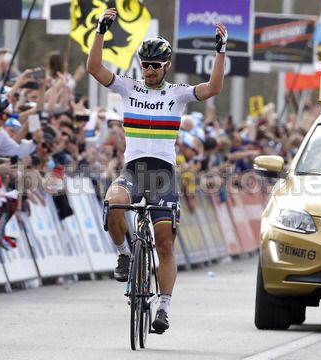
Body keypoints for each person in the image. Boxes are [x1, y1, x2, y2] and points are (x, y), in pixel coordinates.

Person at [87, 7, 227, 334]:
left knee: (165, 242)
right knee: (113, 204)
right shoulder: (128, 87)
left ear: (165, 66)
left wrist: (220, 52)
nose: (149, 71)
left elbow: (213, 88)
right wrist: (100, 30)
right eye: (145, 65)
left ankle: (163, 306)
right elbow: (94, 67)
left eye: (155, 66)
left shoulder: (177, 94)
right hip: (134, 170)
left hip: (163, 174)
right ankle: (124, 253)